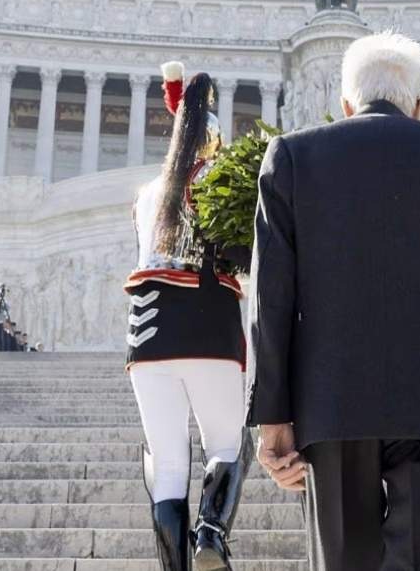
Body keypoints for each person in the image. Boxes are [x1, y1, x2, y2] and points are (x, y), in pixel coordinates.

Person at [249, 33, 420, 570]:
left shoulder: (292, 156)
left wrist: (272, 416)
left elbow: (271, 299)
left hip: (332, 403)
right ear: (418, 106)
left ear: (346, 104)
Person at [123, 63, 252, 571]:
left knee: (167, 462)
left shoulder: (146, 195)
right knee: (227, 442)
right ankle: (212, 534)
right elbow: (242, 257)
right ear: (214, 144)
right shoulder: (221, 185)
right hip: (208, 329)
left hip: (147, 338)